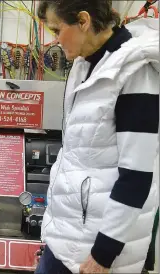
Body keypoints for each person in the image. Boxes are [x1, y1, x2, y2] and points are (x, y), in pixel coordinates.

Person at [35, 1, 159, 273]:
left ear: (83, 21)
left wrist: (103, 256)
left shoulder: (134, 71)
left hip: (97, 253)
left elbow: (137, 176)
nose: (54, 40)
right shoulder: (86, 63)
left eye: (57, 29)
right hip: (67, 240)